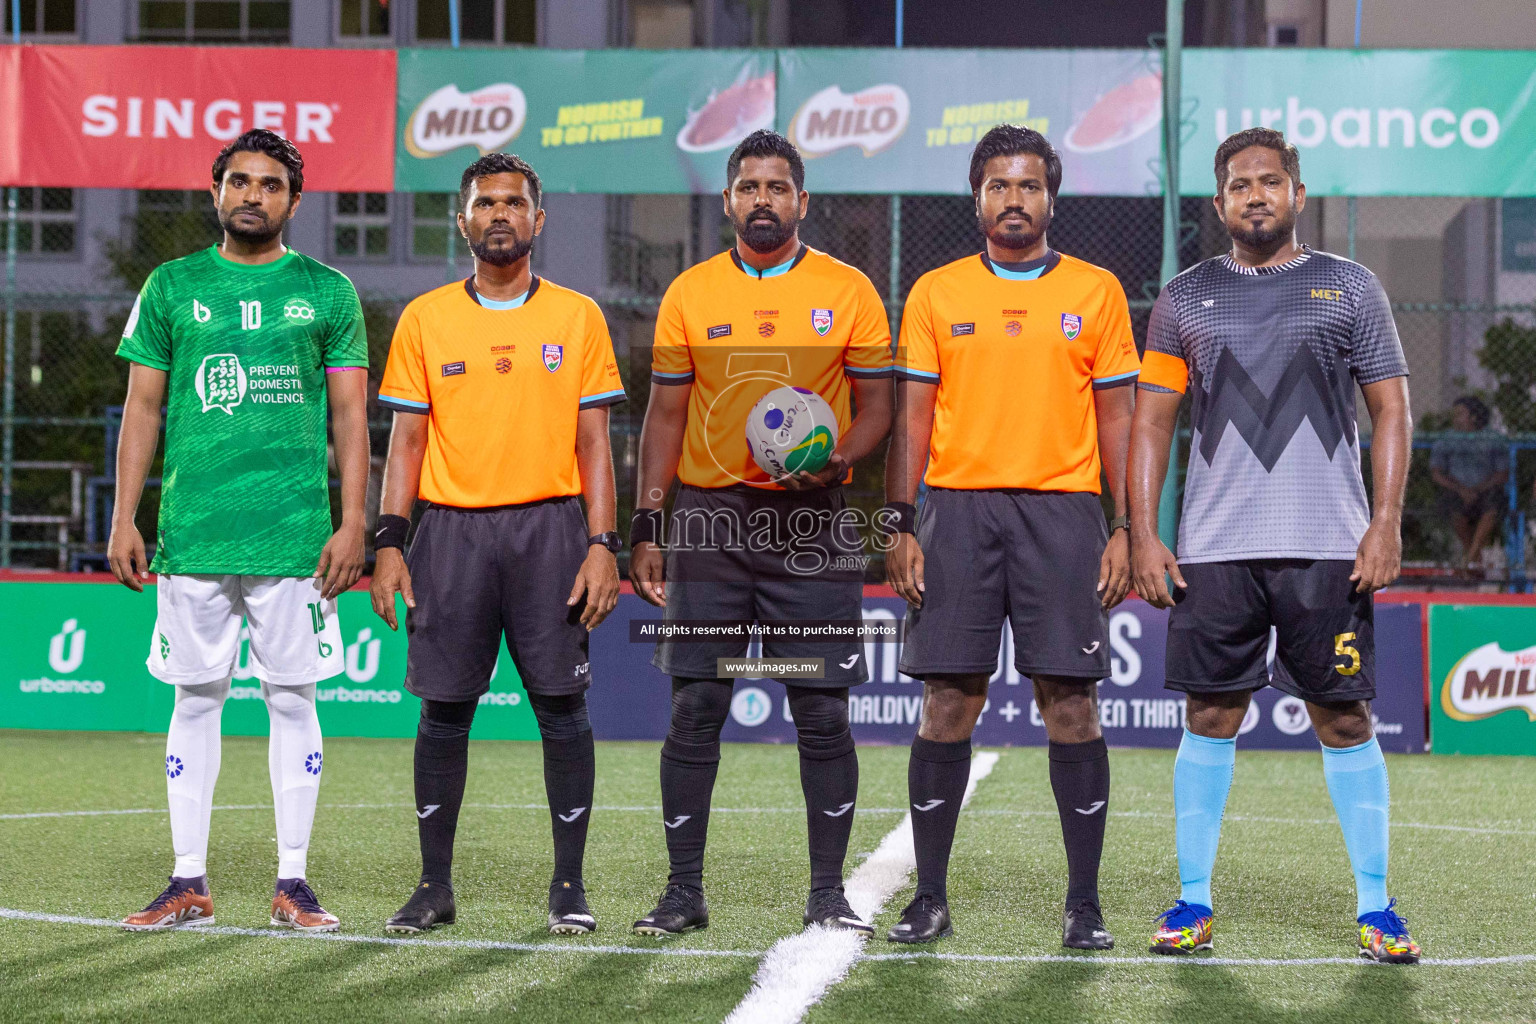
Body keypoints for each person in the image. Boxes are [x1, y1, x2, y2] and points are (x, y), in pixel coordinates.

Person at [1129, 127, 1419, 963]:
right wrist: (1143, 532)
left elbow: (1391, 411)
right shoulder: (1184, 297)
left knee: (1343, 715)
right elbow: (1151, 422)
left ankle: (1377, 904)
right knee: (1211, 712)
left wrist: (1386, 519)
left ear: (1296, 192)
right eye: (1238, 185)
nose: (1254, 195)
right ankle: (1191, 901)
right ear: (1218, 204)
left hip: (1328, 543)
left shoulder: (1350, 287)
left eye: (1270, 181)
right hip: (1216, 547)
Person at [628, 129, 893, 936]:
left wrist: (837, 459)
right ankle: (683, 893)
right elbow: (664, 415)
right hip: (710, 526)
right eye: (749, 187)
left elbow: (880, 407)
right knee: (698, 705)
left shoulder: (849, 291)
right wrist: (647, 522)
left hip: (811, 525)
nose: (763, 200)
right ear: (729, 201)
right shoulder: (690, 294)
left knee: (821, 711)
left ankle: (826, 895)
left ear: (802, 202)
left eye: (778, 188)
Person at [883, 124, 1139, 949]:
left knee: (1070, 703)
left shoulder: (1097, 293)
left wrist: (1126, 529)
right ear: (978, 196)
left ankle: (1084, 905)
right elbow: (912, 422)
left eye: (1029, 186)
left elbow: (1120, 424)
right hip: (955, 514)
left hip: (1063, 516)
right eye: (999, 185)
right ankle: (929, 898)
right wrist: (900, 524)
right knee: (949, 700)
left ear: (1051, 197)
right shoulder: (935, 293)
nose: (1014, 200)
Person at [110, 129, 370, 932]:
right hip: (193, 533)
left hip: (295, 538)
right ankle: (188, 880)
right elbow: (143, 407)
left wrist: (354, 519)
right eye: (239, 181)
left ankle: (294, 884)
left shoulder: (328, 292)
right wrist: (125, 516)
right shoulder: (171, 285)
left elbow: (351, 415)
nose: (252, 195)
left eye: (270, 185)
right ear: (214, 190)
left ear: (295, 199)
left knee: (293, 699)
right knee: (196, 699)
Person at [372, 153, 625, 936]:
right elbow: (406, 445)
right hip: (450, 532)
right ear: (464, 220)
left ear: (538, 220)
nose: (501, 214)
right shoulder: (425, 318)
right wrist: (389, 543)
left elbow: (595, 443)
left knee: (561, 708)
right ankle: (433, 886)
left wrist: (603, 543)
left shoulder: (577, 316)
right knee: (444, 711)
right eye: (486, 203)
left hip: (550, 530)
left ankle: (569, 885)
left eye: (515, 202)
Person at [1429, 395, 1507, 570]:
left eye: (1460, 414)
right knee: (1451, 504)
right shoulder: (1446, 439)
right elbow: (1437, 473)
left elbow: (1502, 474)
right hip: (1457, 491)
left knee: (1494, 503)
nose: (1455, 418)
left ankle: (1469, 559)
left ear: (1474, 416)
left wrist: (1477, 490)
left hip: (1485, 491)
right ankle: (1474, 558)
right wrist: (1461, 489)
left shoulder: (1493, 439)